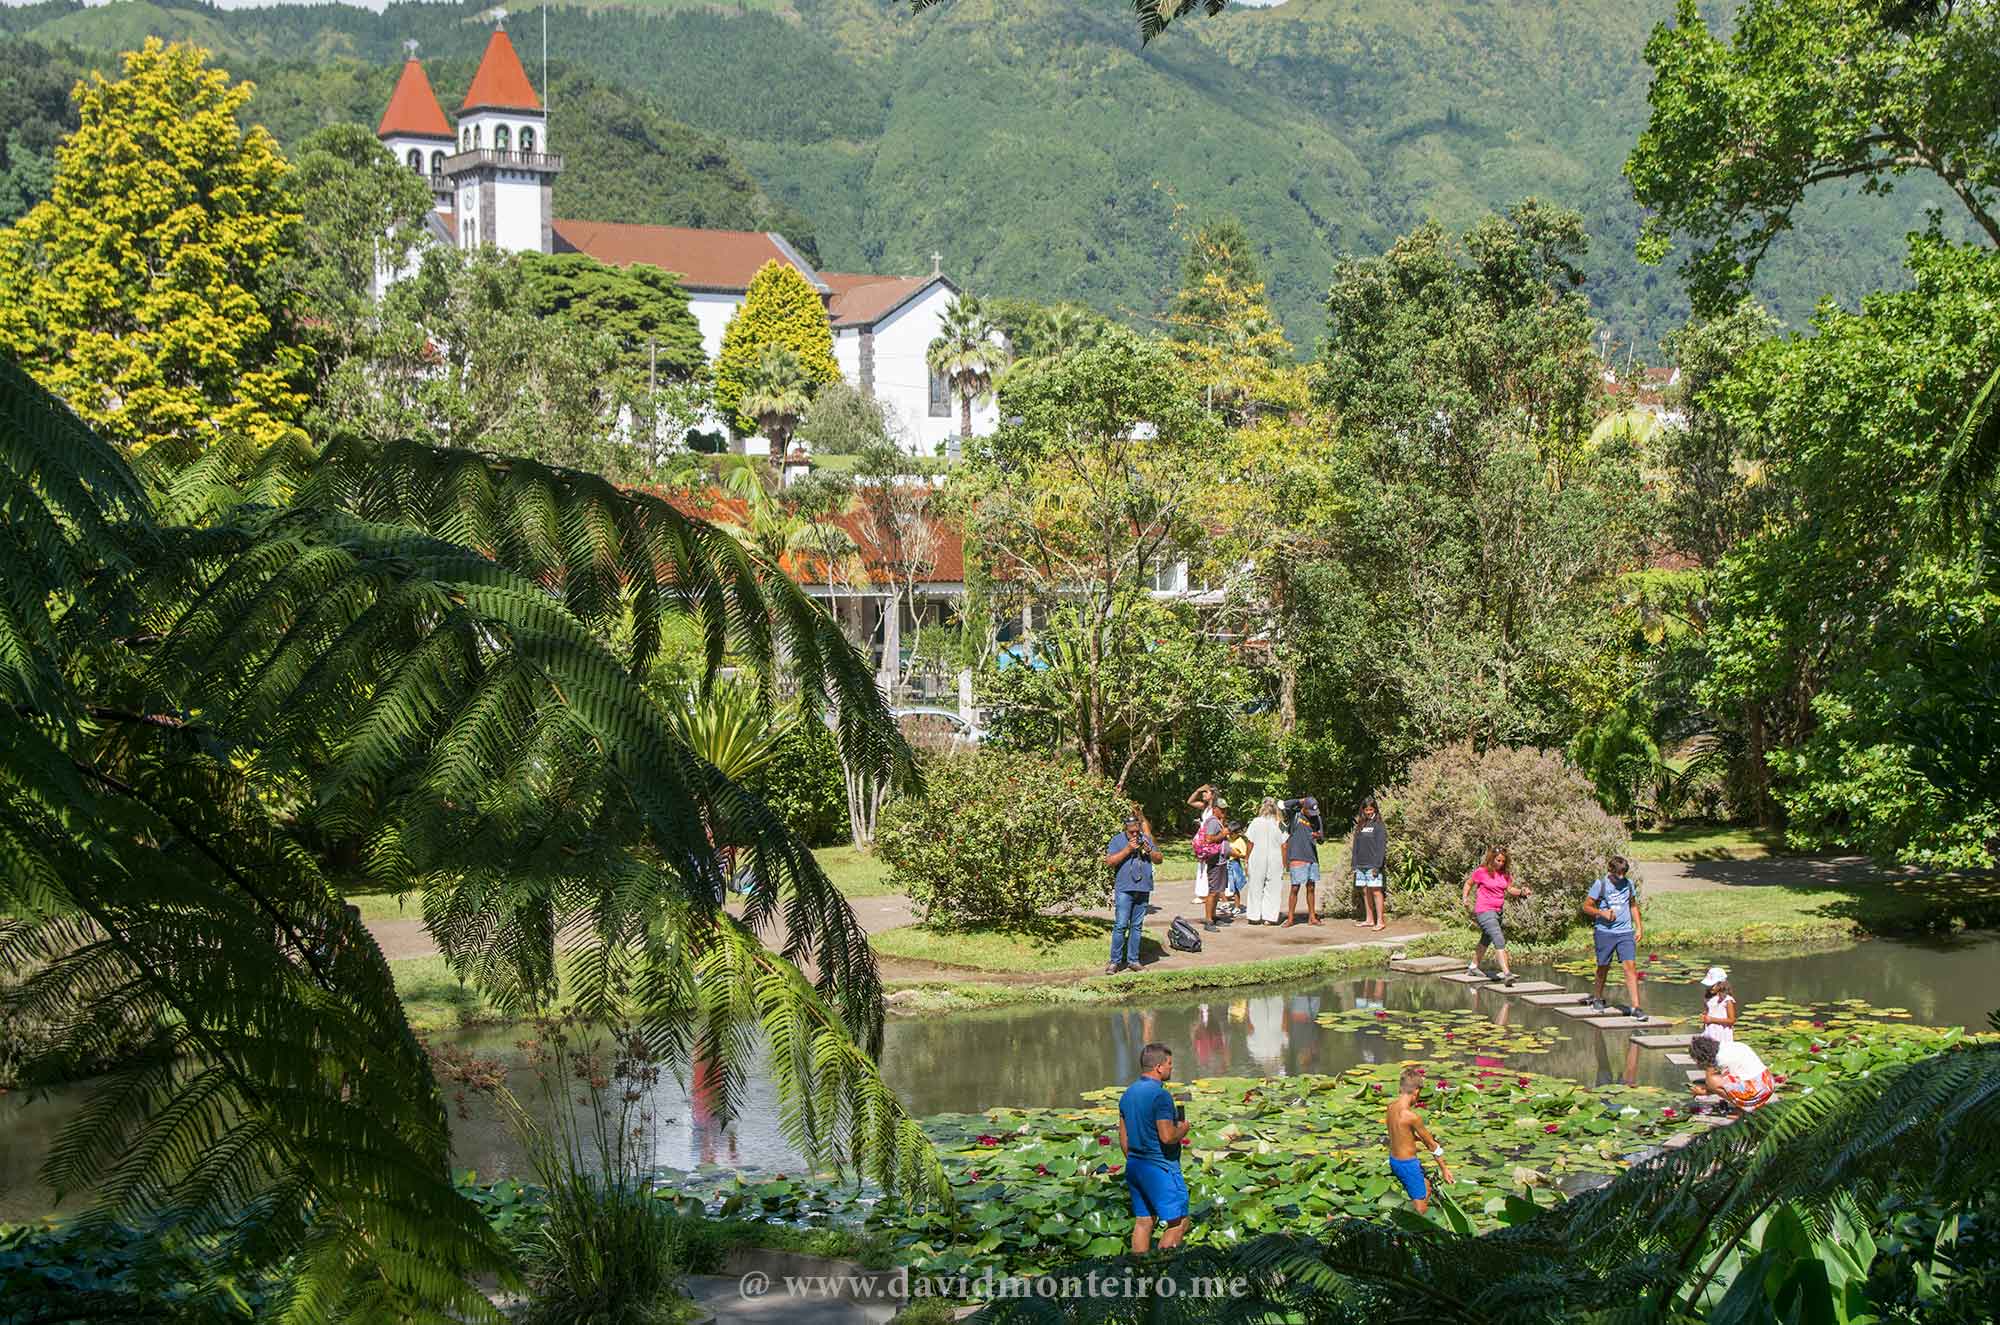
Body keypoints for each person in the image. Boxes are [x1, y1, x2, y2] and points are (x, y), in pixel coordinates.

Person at [1118, 1042, 1192, 1253]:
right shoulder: (1161, 1096)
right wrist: (1184, 1129)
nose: (1171, 1068)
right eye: (1169, 1064)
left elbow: (1123, 1137)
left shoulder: (1129, 1093)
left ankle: (1138, 1272)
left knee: (1144, 1220)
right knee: (1178, 1222)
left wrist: (1134, 1159)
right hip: (1160, 1168)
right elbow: (1168, 1136)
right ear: (1159, 1067)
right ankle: (1161, 1270)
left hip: (1135, 1166)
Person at [1582, 855, 1646, 1021]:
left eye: (1624, 873)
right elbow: (1586, 907)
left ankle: (1636, 1007)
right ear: (1610, 870)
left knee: (1630, 967)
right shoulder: (1600, 884)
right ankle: (1597, 998)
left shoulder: (1628, 884)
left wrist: (1638, 927)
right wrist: (1601, 913)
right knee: (1603, 967)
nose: (1622, 877)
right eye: (1618, 873)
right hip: (1604, 932)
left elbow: (1632, 905)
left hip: (1625, 932)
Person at [1385, 1064, 1455, 1214]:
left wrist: (1412, 1138)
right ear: (1416, 1091)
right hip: (1408, 1164)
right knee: (1420, 1209)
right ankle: (1405, 1235)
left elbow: (1396, 1131)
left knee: (1427, 1186)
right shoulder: (1412, 1117)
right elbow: (1432, 1145)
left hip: (1394, 1160)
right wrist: (1444, 1169)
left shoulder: (1391, 1108)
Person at [1461, 847, 1531, 984]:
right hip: (1484, 911)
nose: (1500, 863)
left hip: (1498, 912)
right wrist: (1465, 898)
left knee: (1486, 939)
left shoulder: (1505, 875)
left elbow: (1510, 889)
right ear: (1491, 859)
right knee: (1498, 938)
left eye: (1503, 861)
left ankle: (1473, 967)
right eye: (1498, 860)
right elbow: (1469, 883)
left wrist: (1522, 892)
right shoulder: (1481, 872)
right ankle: (1507, 973)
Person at [1105, 811, 1163, 975]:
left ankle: (1133, 961)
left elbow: (1159, 859)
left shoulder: (1146, 839)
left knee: (1136, 926)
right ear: (1126, 829)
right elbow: (1109, 861)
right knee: (1121, 925)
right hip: (1124, 888)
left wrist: (1150, 850)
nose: (1135, 834)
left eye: (1137, 830)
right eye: (1132, 831)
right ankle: (1115, 962)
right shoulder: (1117, 840)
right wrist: (1128, 849)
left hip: (1143, 888)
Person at [1688, 1033, 1776, 1114]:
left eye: (1697, 1060)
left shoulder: (1720, 1058)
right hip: (1768, 1082)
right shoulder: (1728, 1046)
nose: (1697, 1064)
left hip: (1759, 1090)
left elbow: (1712, 1083)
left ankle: (1745, 1108)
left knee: (1712, 1081)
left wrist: (1706, 1091)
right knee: (1720, 1078)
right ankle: (1743, 1105)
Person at [1243, 797, 1287, 925]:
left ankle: (1254, 916)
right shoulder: (1281, 824)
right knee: (1273, 888)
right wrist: (1285, 863)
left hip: (1257, 856)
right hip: (1275, 857)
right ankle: (1270, 917)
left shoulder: (1256, 822)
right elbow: (1284, 845)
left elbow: (1250, 842)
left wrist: (1246, 859)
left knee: (1255, 886)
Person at [1280, 797, 1322, 927]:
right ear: (1304, 808)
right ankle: (1291, 918)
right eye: (1309, 811)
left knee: (1311, 887)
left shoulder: (1317, 818)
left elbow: (1322, 839)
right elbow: (1282, 804)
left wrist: (1318, 836)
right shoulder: (1295, 815)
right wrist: (1300, 800)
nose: (1312, 815)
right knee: (1295, 888)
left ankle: (1312, 917)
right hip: (1297, 856)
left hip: (1312, 857)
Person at [1194, 796, 1231, 932]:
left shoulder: (1217, 821)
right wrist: (1223, 834)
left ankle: (1213, 916)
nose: (1224, 811)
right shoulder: (1213, 822)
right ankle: (1208, 920)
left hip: (1220, 861)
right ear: (1215, 809)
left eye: (1225, 809)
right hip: (1215, 862)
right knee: (1213, 891)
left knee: (1217, 891)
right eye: (1221, 809)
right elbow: (1209, 839)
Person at [1350, 798, 1388, 931]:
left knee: (1376, 891)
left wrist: (1377, 866)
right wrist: (1354, 865)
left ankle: (1380, 921)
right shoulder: (1361, 825)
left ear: (1375, 810)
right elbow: (1356, 846)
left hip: (1373, 865)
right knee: (1366, 892)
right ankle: (1369, 919)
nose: (1368, 812)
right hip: (1361, 865)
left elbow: (1381, 847)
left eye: (1371, 809)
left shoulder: (1379, 826)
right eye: (1366, 810)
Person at [1700, 967, 1737, 1045]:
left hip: (1722, 1033)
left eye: (1712, 985)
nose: (1710, 988)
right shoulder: (1708, 998)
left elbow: (1731, 1020)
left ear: (1721, 984)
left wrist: (1712, 1019)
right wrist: (1704, 1016)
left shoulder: (1727, 1000)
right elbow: (1708, 1012)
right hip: (1710, 1031)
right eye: (1708, 985)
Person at [1224, 820, 1249, 918]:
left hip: (1234, 864)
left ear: (1237, 833)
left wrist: (1234, 853)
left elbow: (1244, 854)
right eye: (1229, 833)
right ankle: (1225, 903)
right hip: (1226, 863)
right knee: (1224, 885)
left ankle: (1237, 906)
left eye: (1232, 833)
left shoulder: (1240, 841)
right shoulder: (1227, 838)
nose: (1230, 835)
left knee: (1235, 886)